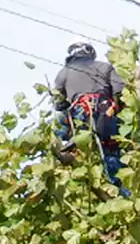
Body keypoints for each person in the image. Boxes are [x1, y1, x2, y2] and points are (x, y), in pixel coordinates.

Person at [51, 38, 128, 192]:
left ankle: (67, 147)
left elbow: (58, 103)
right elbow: (120, 92)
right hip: (105, 113)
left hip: (79, 115)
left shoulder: (64, 73)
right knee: (111, 152)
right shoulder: (105, 67)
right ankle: (118, 187)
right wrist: (115, 110)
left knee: (57, 126)